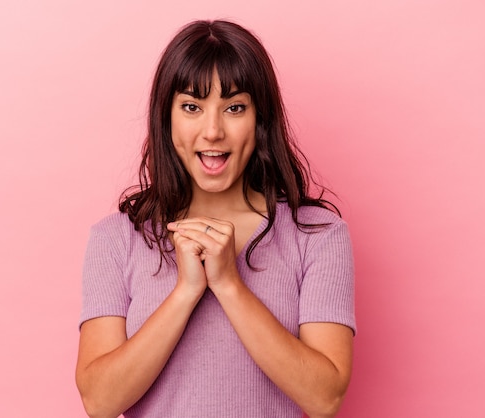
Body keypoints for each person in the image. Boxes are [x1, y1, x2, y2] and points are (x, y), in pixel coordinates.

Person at [75, 19, 355, 418]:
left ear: (260, 120)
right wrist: (186, 292)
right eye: (192, 107)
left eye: (234, 108)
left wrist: (228, 283)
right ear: (166, 118)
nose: (212, 131)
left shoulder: (318, 235)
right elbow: (99, 401)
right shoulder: (117, 238)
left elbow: (324, 398)